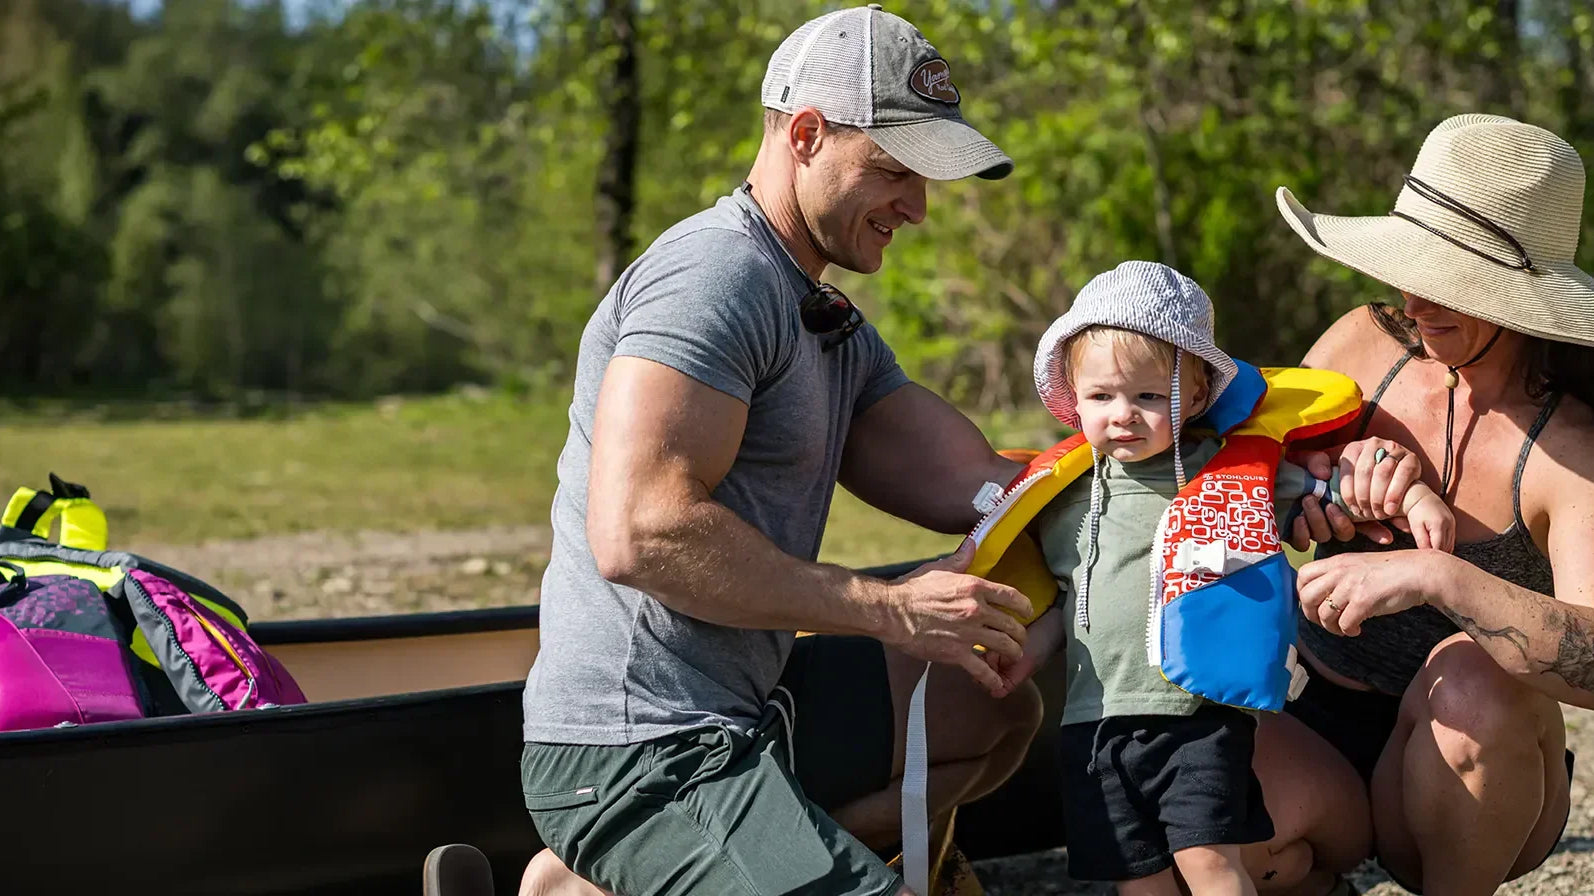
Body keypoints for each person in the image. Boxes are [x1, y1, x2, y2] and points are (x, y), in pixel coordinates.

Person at [493, 7, 1045, 896]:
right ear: (806, 134)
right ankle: (640, 853)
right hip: (642, 747)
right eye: (895, 170)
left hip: (754, 706)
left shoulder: (822, 317)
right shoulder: (715, 277)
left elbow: (974, 481)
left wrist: (1176, 471)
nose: (918, 207)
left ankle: (599, 886)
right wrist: (887, 607)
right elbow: (639, 532)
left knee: (991, 710)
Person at [976, 261, 1452, 896]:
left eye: (1149, 397)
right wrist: (1024, 653)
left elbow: (1331, 489)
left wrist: (1412, 497)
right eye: (1101, 397)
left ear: (1197, 396)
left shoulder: (1226, 474)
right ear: (1073, 396)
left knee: (1209, 861)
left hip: (1193, 713)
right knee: (1135, 879)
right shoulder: (1065, 498)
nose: (1123, 415)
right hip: (1092, 723)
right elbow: (1070, 601)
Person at [1248, 113, 1594, 896]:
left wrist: (1435, 576)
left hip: (1477, 759)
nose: (1416, 295)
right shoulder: (1362, 347)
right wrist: (1306, 492)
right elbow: (1225, 495)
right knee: (1203, 834)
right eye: (1412, 265)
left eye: (1455, 281)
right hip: (1319, 725)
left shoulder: (1570, 450)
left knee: (1473, 678)